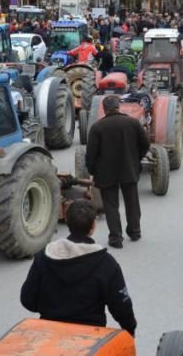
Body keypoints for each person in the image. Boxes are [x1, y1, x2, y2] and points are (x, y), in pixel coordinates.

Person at [19, 199, 136, 335]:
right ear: (93, 226)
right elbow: (121, 306)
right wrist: (130, 329)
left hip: (50, 336)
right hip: (90, 339)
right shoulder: (106, 264)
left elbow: (27, 300)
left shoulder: (44, 257)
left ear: (67, 222)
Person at [86, 94, 150, 248]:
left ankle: (116, 238)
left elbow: (91, 154)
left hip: (106, 173)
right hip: (129, 169)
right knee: (132, 202)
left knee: (111, 205)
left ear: (104, 109)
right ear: (118, 106)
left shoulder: (97, 127)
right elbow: (145, 144)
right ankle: (135, 232)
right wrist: (136, 158)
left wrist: (93, 170)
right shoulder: (133, 123)